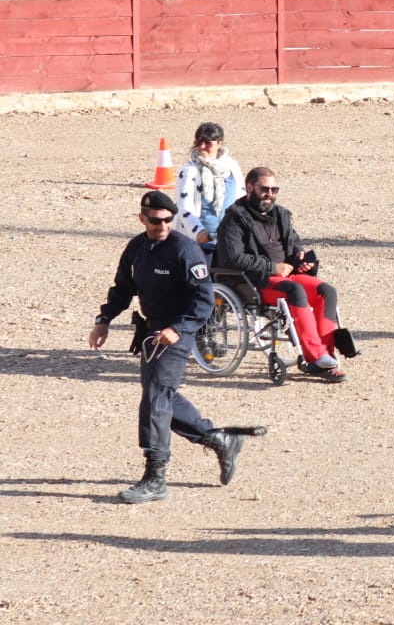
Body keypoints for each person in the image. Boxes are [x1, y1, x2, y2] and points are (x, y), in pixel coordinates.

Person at [89, 190, 254, 504]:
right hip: (152, 331)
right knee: (161, 394)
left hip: (180, 331)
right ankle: (218, 438)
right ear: (143, 218)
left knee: (155, 399)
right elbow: (123, 287)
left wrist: (178, 329)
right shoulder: (137, 248)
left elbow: (204, 299)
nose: (162, 225)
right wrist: (104, 319)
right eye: (155, 220)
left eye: (167, 220)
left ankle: (156, 477)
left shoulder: (185, 250)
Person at [215, 167, 355, 381]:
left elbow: (294, 242)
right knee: (295, 291)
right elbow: (232, 258)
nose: (270, 194)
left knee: (326, 291)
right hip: (255, 280)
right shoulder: (234, 219)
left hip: (287, 274)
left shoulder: (281, 214)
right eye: (265, 189)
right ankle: (315, 358)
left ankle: (327, 353)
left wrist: (300, 259)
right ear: (250, 187)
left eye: (274, 189)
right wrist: (272, 267)